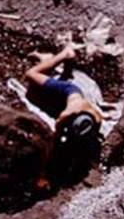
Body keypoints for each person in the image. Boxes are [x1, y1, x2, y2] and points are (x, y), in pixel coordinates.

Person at [25, 44, 103, 188]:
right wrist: (44, 172)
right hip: (68, 90)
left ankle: (52, 60)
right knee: (31, 75)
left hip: (72, 99)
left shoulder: (95, 119)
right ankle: (65, 54)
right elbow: (56, 137)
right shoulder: (68, 113)